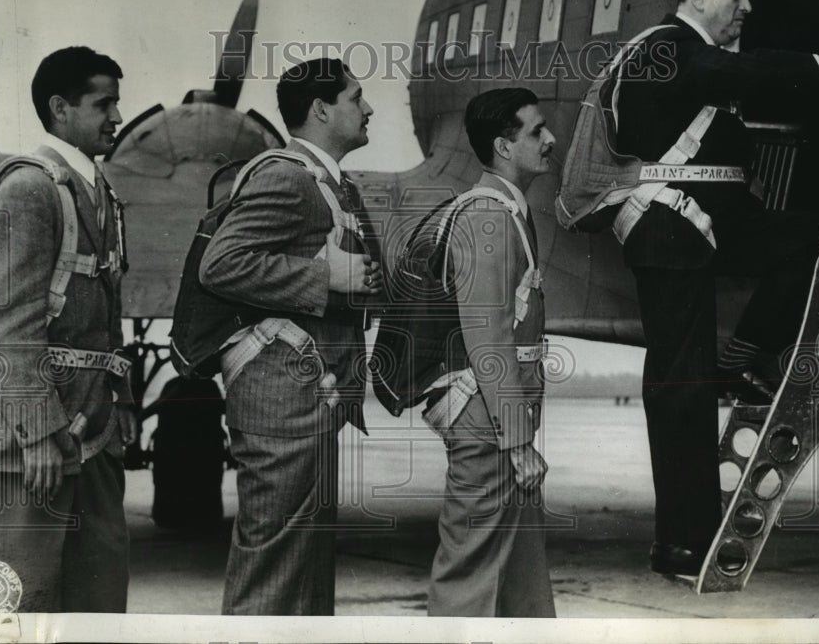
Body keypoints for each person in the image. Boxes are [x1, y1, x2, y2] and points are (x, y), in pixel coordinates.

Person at [612, 0, 819, 576]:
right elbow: (727, 73)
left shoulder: (697, 57)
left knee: (815, 240)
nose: (747, 8)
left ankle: (742, 357)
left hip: (712, 220)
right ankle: (681, 540)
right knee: (681, 391)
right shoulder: (665, 46)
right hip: (667, 230)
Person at [199, 57, 383, 615]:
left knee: (303, 576)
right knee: (274, 572)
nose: (369, 107)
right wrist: (327, 278)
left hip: (307, 400)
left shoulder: (330, 182)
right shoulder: (287, 174)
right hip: (281, 404)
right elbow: (221, 264)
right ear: (321, 109)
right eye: (356, 97)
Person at [0, 46, 138, 612]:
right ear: (60, 108)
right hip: (36, 438)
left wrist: (122, 403)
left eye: (117, 102)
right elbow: (5, 324)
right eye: (104, 104)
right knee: (18, 602)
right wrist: (38, 433)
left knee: (98, 603)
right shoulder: (29, 187)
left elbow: (105, 321)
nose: (117, 117)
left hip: (94, 434)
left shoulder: (99, 191)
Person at [424, 88, 557, 617]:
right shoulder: (486, 216)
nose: (551, 140)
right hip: (491, 427)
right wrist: (518, 442)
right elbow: (489, 341)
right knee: (470, 575)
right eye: (536, 131)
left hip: (500, 419)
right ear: (504, 145)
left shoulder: (506, 211)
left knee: (521, 581)